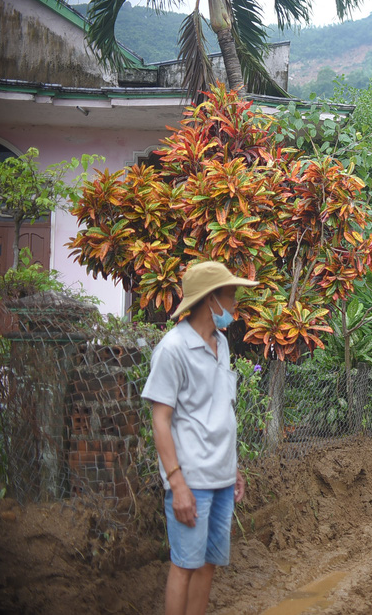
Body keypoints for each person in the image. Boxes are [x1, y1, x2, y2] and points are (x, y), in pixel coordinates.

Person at [142, 261, 258, 615]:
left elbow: (222, 411)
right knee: (185, 564)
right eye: (231, 295)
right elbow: (160, 420)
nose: (235, 304)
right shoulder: (173, 349)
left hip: (221, 480)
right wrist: (177, 484)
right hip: (191, 481)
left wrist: (233, 468)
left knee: (208, 564)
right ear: (211, 300)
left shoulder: (221, 344)